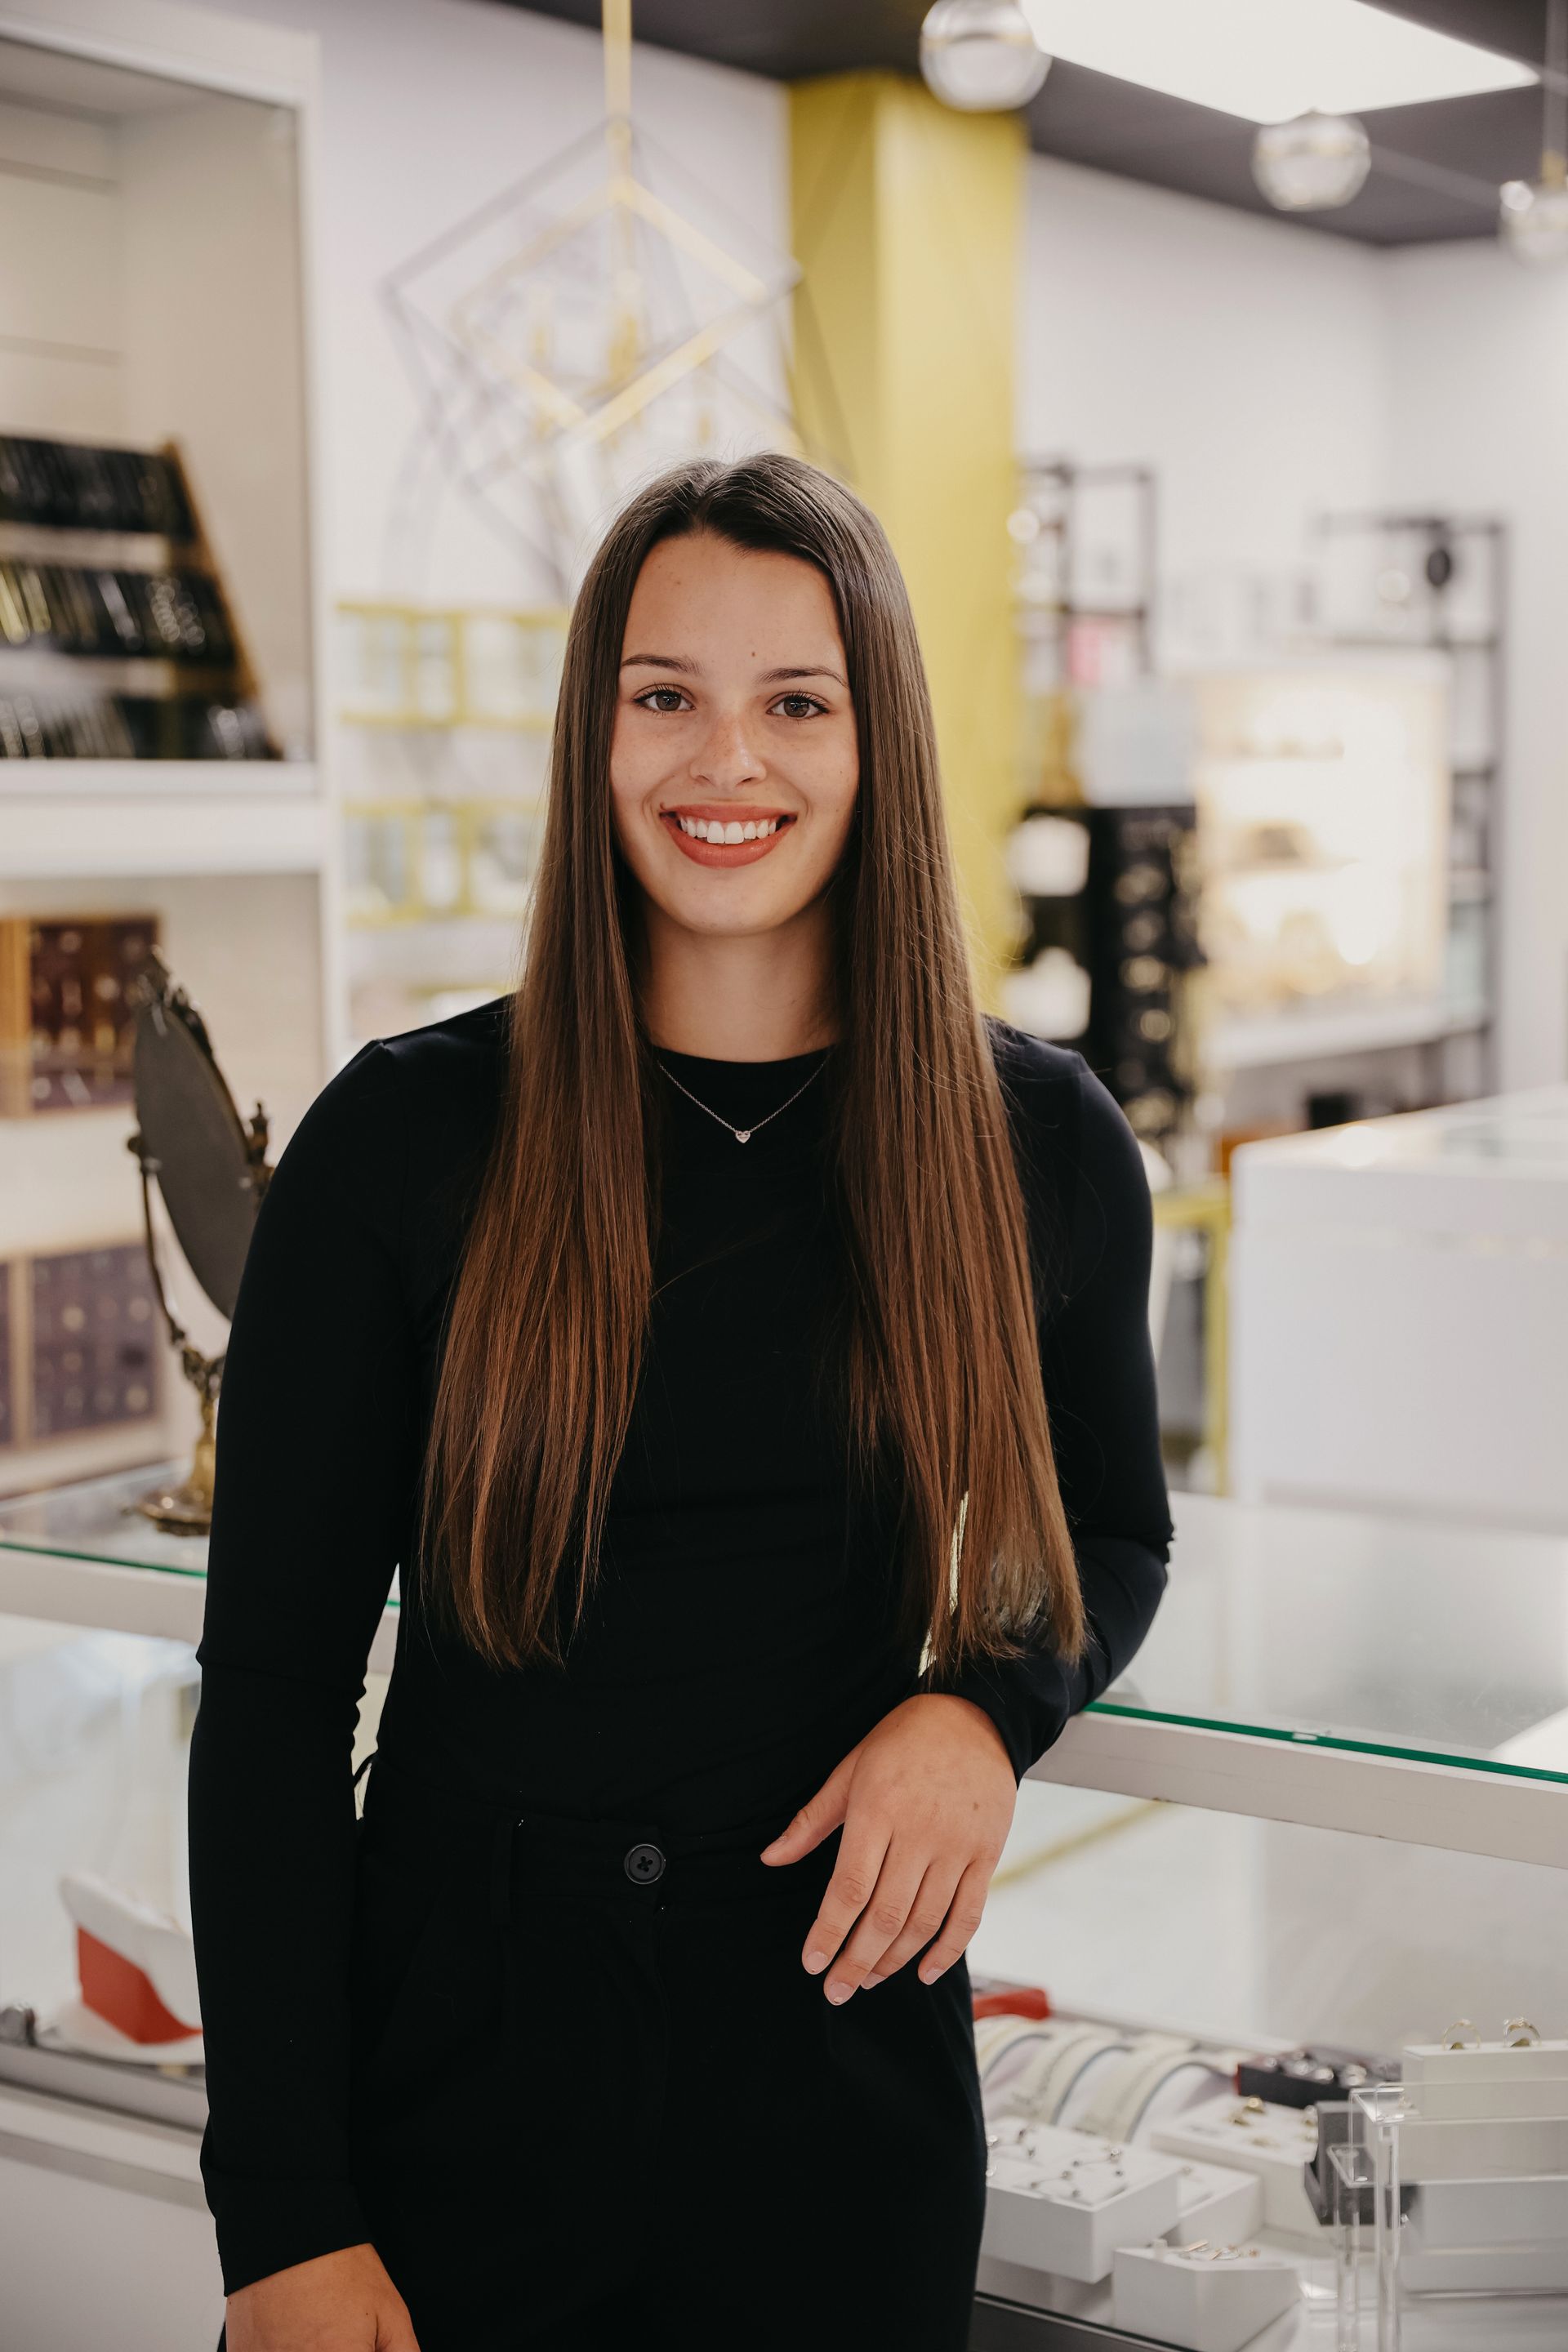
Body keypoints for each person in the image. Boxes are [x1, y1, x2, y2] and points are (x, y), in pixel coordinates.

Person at [189, 452, 1171, 2352]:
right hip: (450, 2091)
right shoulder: (405, 1139)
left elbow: (1108, 1533)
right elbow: (278, 1707)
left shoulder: (1037, 1143)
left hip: (838, 2095)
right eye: (666, 698)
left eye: (796, 701)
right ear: (598, 732)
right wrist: (282, 2216)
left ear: (875, 737)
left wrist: (985, 1708)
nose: (729, 763)